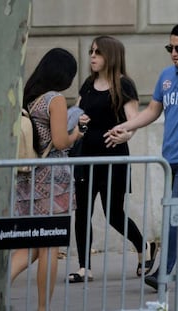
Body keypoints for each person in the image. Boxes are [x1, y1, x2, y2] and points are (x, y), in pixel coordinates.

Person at [105, 24, 178, 290]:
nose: (173, 53)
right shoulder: (165, 76)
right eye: (169, 47)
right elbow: (153, 111)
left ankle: (164, 273)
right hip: (170, 158)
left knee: (174, 211)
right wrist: (126, 127)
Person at [67, 35, 158, 283]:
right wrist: (78, 118)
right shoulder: (88, 84)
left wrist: (124, 135)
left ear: (111, 56)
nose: (92, 56)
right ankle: (84, 267)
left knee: (113, 214)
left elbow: (133, 120)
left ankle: (143, 246)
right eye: (91, 51)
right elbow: (75, 111)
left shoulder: (123, 85)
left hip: (113, 158)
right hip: (85, 157)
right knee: (83, 211)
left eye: (98, 52)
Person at [11, 48, 83, 311]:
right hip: (53, 180)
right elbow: (61, 141)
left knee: (32, 244)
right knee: (51, 246)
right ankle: (43, 308)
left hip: (27, 179)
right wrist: (76, 133)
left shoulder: (29, 97)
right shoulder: (55, 100)